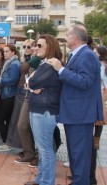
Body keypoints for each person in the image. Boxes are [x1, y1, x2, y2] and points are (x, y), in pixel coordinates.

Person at [46, 24, 102, 185]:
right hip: (75, 112)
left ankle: (81, 181)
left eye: (67, 34)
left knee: (80, 152)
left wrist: (61, 70)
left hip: (81, 113)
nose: (65, 37)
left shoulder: (87, 55)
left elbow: (84, 81)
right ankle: (78, 179)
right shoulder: (77, 54)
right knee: (75, 152)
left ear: (75, 37)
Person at [24, 34, 63, 185]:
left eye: (39, 45)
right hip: (39, 109)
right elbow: (29, 82)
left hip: (45, 111)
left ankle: (46, 181)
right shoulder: (44, 63)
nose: (35, 48)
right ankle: (41, 179)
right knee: (42, 148)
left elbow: (32, 82)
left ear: (50, 47)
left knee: (45, 149)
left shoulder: (51, 64)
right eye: (36, 45)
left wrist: (31, 82)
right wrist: (30, 83)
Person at [6, 39, 34, 149]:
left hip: (27, 92)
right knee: (17, 120)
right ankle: (23, 147)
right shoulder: (25, 60)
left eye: (29, 46)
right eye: (24, 47)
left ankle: (28, 149)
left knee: (24, 122)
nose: (26, 49)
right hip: (19, 90)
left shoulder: (34, 60)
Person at [0, 44, 20, 152]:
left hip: (8, 95)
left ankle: (6, 142)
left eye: (7, 51)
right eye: (4, 51)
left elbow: (13, 80)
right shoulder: (10, 62)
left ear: (13, 52)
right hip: (6, 94)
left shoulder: (13, 64)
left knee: (0, 119)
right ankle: (8, 142)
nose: (5, 53)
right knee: (7, 120)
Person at [91, 46, 106, 185]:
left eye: (95, 52)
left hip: (98, 102)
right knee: (94, 140)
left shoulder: (100, 66)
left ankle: (91, 177)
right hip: (99, 103)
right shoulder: (101, 65)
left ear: (100, 55)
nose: (93, 54)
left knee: (93, 142)